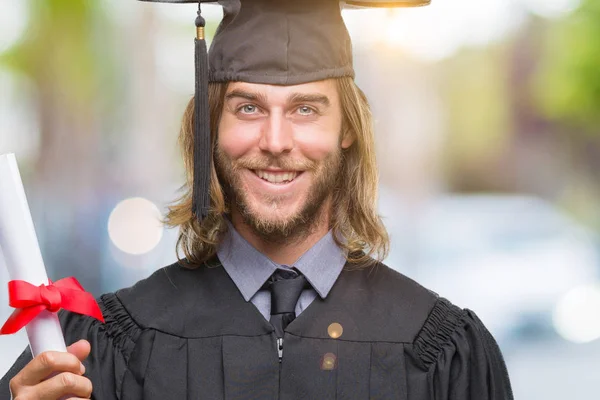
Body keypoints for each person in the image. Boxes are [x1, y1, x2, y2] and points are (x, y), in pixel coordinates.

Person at [1, 0, 514, 399]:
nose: (275, 140)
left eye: (306, 109)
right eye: (247, 107)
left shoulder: (445, 352)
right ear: (209, 129)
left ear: (348, 131)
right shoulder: (103, 351)